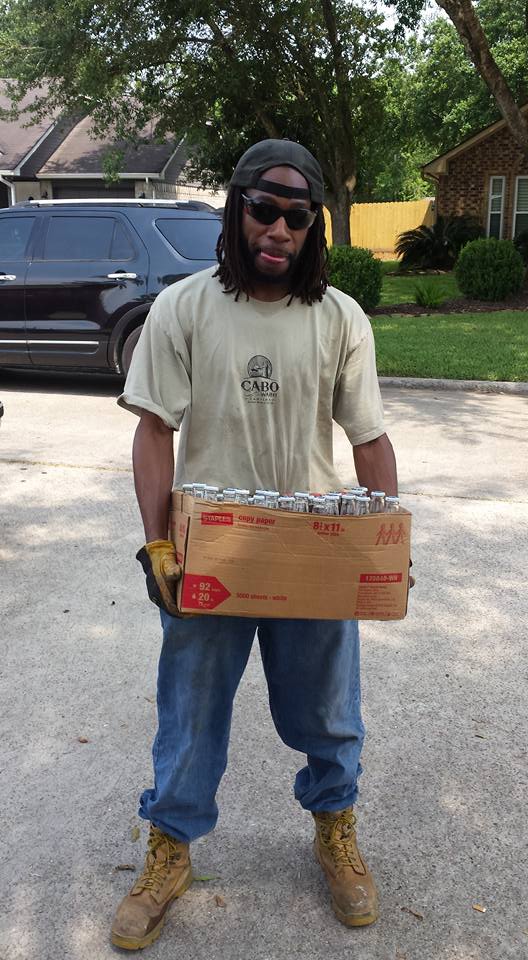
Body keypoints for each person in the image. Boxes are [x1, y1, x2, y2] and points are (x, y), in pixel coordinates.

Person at [112, 138, 400, 950]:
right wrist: (156, 543)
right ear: (236, 210)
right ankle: (170, 849)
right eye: (263, 209)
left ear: (314, 227)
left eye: (297, 216)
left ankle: (335, 833)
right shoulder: (184, 308)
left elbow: (369, 440)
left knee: (328, 713)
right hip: (209, 557)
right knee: (190, 712)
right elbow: (154, 430)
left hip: (311, 555)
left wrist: (384, 540)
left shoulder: (339, 317)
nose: (278, 227)